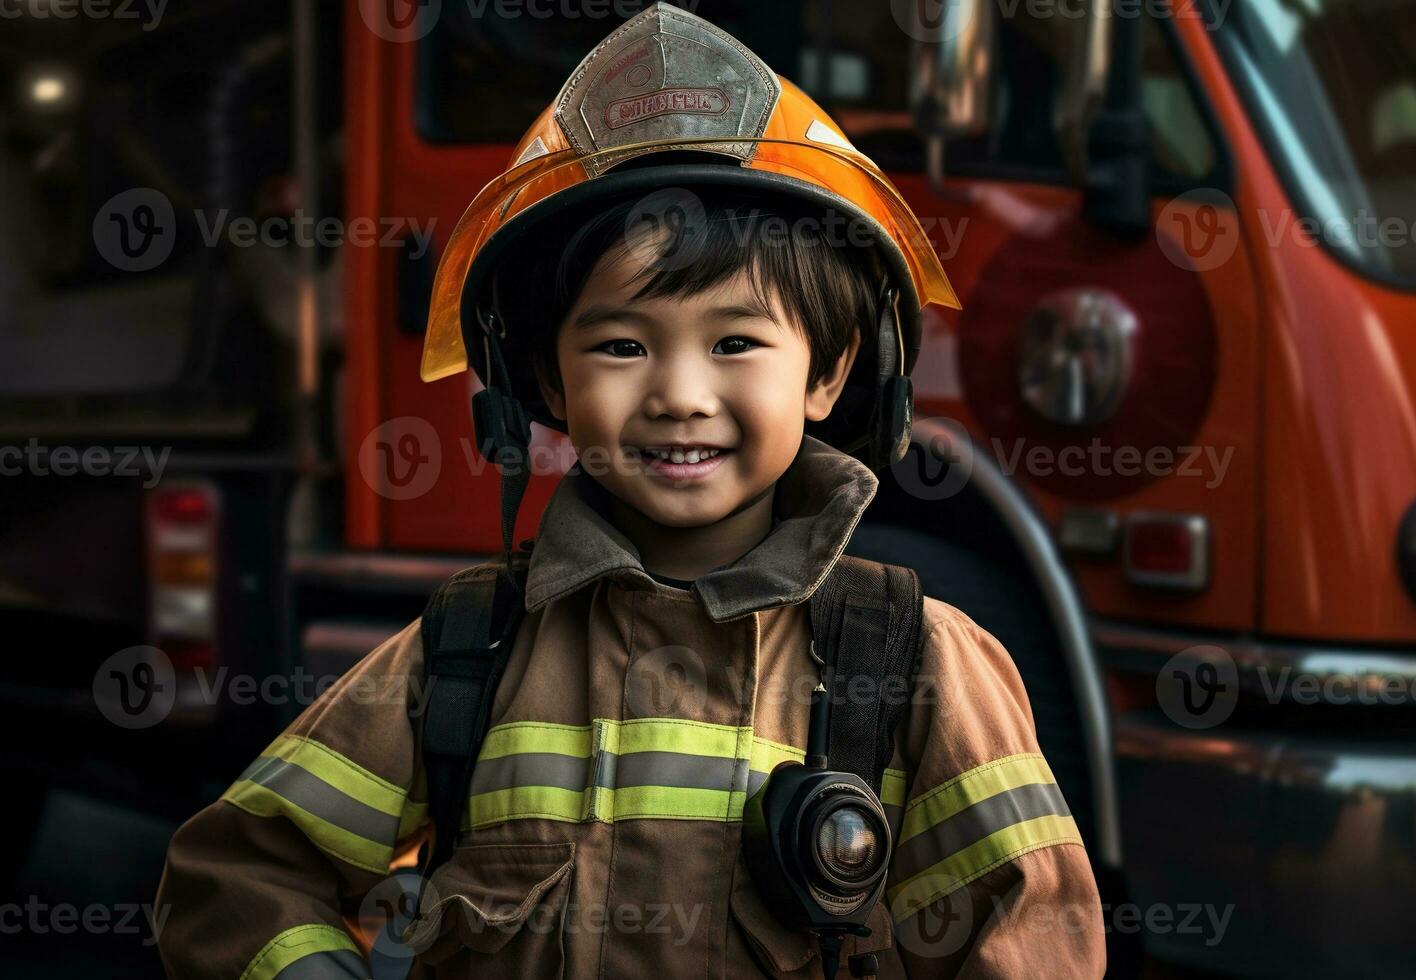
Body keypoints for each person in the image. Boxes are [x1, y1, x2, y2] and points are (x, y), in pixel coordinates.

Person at [155, 5, 1106, 977]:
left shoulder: (923, 666)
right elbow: (237, 873)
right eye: (622, 345)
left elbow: (1029, 940)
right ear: (550, 383)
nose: (681, 396)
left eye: (736, 342)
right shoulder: (464, 655)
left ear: (830, 372)